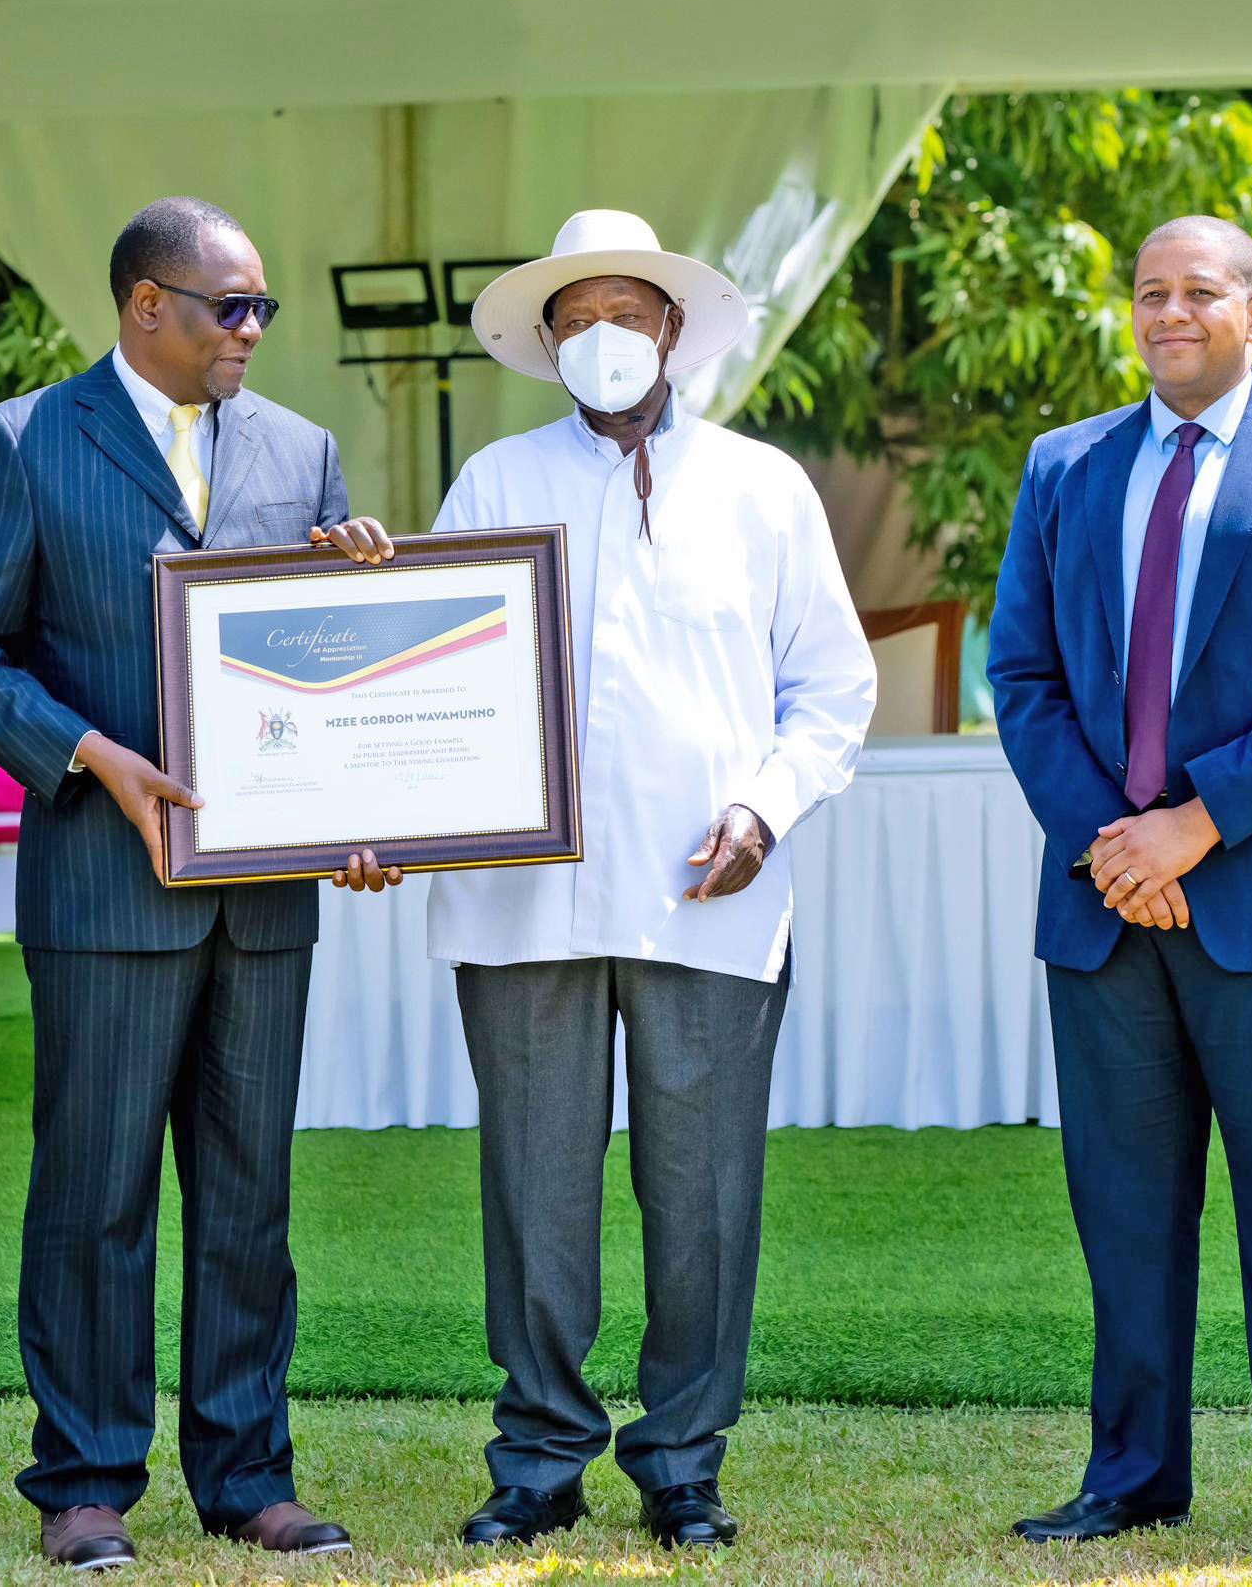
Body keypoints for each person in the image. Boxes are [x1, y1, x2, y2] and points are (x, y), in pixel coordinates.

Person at [0, 197, 397, 1571]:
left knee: (249, 1194)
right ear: (145, 306)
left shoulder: (302, 451)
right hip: (106, 882)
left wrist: (362, 800)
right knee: (97, 1191)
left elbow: (330, 659)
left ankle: (249, 1474)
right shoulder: (25, 442)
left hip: (265, 898)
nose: (253, 330)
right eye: (230, 306)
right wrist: (89, 754)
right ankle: (83, 1481)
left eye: (263, 310)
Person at [413, 210, 876, 1552]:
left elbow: (832, 688)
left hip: (706, 893)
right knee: (535, 1186)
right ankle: (539, 1453)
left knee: (704, 1191)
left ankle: (683, 1457)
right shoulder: (494, 481)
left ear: (673, 326)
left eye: (628, 308)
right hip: (521, 900)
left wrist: (764, 805)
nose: (603, 335)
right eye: (576, 315)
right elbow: (429, 684)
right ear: (548, 339)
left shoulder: (763, 486)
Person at [987, 215, 1252, 1570]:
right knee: (1124, 1209)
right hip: (1107, 902)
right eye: (1151, 293)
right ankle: (1132, 1473)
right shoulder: (1064, 467)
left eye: (1200, 292)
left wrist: (1197, 823)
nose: (1171, 311)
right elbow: (1025, 677)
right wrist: (1123, 840)